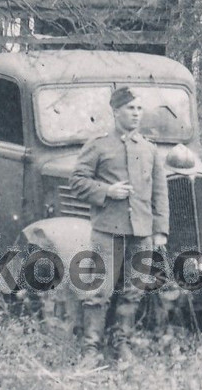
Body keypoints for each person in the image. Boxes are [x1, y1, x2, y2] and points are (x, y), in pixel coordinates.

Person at [70, 86, 169, 370]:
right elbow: (77, 182)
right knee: (99, 291)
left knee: (133, 290)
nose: (136, 114)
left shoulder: (149, 149)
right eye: (130, 109)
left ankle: (121, 343)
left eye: (139, 109)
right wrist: (106, 190)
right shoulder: (98, 145)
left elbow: (159, 193)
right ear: (116, 112)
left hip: (141, 233)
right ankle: (91, 348)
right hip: (108, 230)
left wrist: (160, 230)